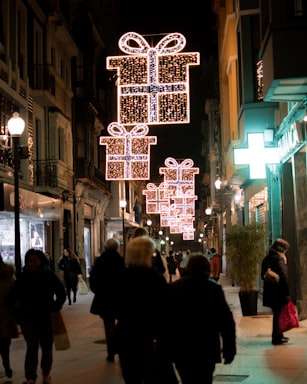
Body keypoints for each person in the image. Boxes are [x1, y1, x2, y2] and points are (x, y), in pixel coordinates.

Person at [113, 235, 178, 384]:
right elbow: (166, 309)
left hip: (127, 336)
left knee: (131, 378)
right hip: (150, 337)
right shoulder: (155, 278)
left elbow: (116, 306)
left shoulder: (122, 277)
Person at [166, 253, 236, 384]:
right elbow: (226, 321)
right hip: (206, 346)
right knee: (205, 379)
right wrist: (229, 349)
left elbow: (166, 321)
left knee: (186, 378)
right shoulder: (213, 289)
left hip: (182, 347)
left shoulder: (174, 288)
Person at [12, 248, 66, 384]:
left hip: (46, 317)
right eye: (29, 260)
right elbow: (14, 295)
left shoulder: (48, 275)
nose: (31, 263)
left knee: (46, 347)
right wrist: (18, 311)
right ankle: (30, 377)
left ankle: (45, 373)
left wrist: (55, 307)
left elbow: (61, 292)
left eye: (34, 260)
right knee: (32, 346)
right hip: (28, 317)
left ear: (41, 261)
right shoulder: (23, 276)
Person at [89, 238, 125, 363]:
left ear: (105, 247)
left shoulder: (100, 261)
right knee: (121, 326)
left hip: (105, 299)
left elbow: (92, 279)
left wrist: (98, 292)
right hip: (120, 299)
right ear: (116, 248)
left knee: (108, 326)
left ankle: (111, 352)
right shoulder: (121, 261)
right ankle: (121, 350)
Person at [261, 238, 291, 345]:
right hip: (279, 292)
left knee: (277, 314)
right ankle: (276, 337)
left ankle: (279, 335)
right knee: (278, 315)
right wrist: (287, 293)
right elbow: (283, 277)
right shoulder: (279, 259)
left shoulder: (266, 259)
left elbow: (262, 276)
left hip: (269, 292)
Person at [0, 254, 18, 379]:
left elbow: (15, 296)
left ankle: (6, 365)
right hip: (5, 316)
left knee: (4, 344)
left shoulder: (9, 278)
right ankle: (6, 366)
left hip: (5, 316)